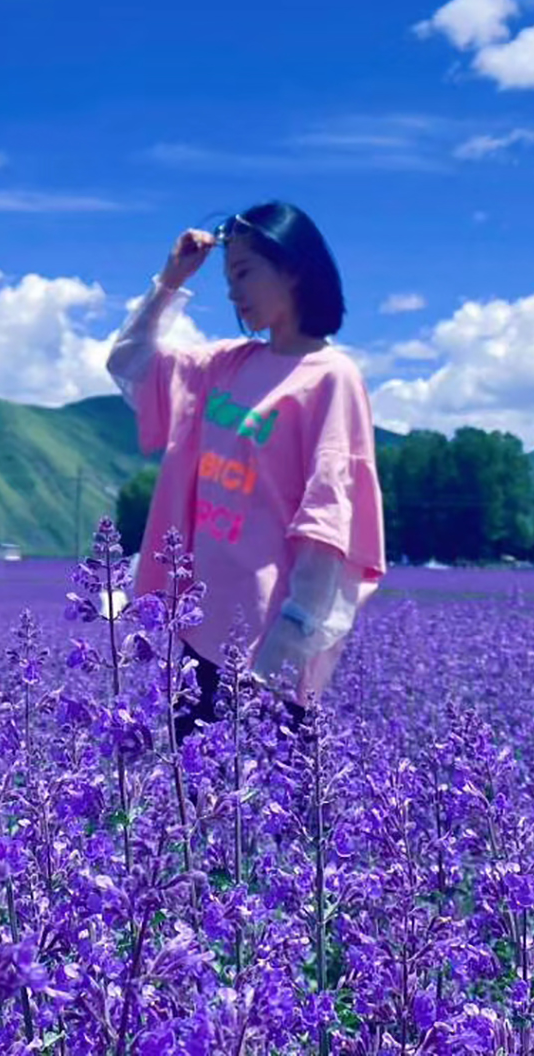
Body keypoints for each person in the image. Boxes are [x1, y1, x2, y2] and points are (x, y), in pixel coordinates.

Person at [107, 203, 386, 740]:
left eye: (244, 273)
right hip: (190, 632)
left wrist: (281, 661)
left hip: (265, 648)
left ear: (294, 268)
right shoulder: (226, 365)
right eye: (227, 276)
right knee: (188, 810)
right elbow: (129, 363)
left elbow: (327, 520)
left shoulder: (332, 378)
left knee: (259, 814)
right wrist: (171, 280)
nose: (233, 292)